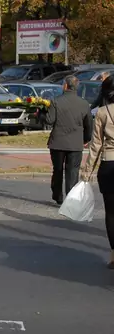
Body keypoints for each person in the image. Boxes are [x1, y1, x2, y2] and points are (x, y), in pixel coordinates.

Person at [43, 75, 94, 205]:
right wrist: (86, 138)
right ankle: (71, 198)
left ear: (65, 85)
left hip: (58, 141)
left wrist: (42, 112)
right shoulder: (84, 104)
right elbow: (89, 124)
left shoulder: (56, 101)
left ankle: (57, 195)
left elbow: (50, 121)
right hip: (76, 143)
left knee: (58, 169)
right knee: (73, 171)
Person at [81, 76, 114, 268]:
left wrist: (87, 172)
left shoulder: (102, 112)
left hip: (109, 165)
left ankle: (113, 254)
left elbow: (95, 146)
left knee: (111, 213)